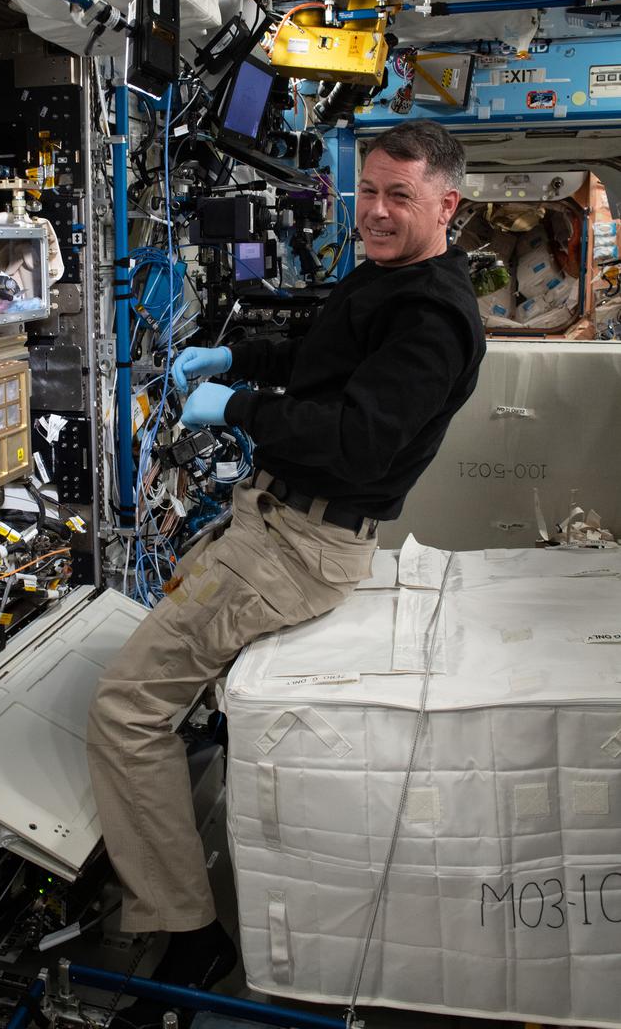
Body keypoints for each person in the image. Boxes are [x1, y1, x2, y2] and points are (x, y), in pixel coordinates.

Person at [86, 120, 486, 1013]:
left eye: (399, 198)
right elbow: (322, 358)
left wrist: (242, 404)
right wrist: (239, 357)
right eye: (368, 193)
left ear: (446, 204)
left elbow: (349, 442)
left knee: (123, 710)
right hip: (270, 524)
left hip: (296, 547)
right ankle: (165, 848)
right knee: (160, 686)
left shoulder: (432, 318)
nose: (374, 213)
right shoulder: (390, 280)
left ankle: (180, 930)